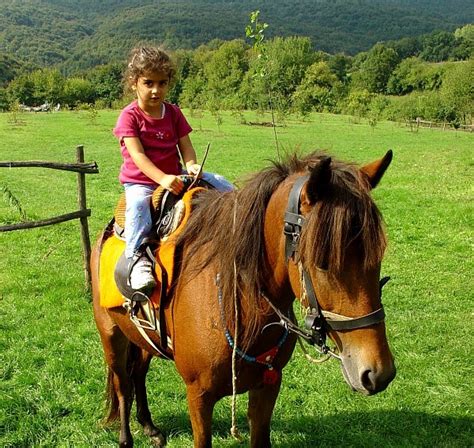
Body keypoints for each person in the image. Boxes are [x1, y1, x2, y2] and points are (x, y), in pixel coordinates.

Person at [113, 46, 233, 292]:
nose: (156, 90)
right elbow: (137, 155)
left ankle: (239, 225)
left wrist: (191, 166)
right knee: (137, 205)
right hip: (142, 181)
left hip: (176, 176)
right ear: (134, 82)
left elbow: (186, 147)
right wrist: (162, 178)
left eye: (162, 83)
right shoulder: (129, 117)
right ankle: (136, 257)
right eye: (148, 83)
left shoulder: (174, 113)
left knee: (220, 183)